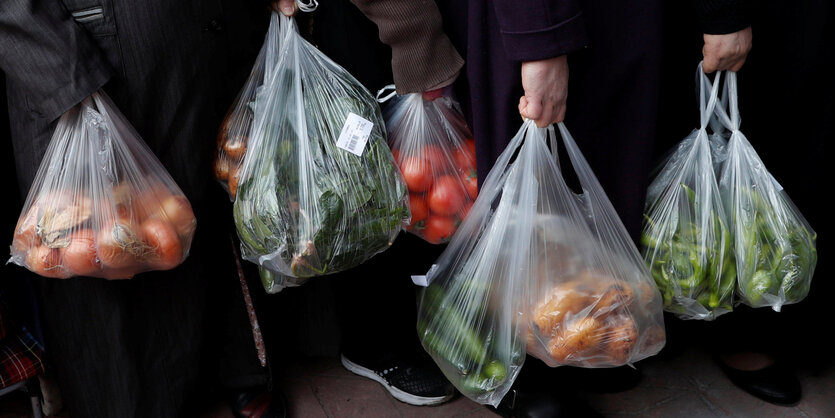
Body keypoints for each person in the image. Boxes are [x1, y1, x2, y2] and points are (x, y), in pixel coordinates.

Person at [0, 2, 278, 416]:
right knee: (100, 248)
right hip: (90, 48)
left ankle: (225, 367)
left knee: (188, 212)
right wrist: (67, 73)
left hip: (193, 43)